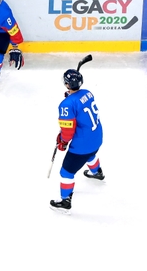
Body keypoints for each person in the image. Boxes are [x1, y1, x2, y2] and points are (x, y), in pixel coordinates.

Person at [50, 67, 104, 213]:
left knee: (66, 173)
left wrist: (63, 141)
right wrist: (71, 97)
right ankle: (96, 172)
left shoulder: (66, 105)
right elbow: (79, 102)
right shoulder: (87, 93)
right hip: (97, 137)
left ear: (67, 84)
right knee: (90, 155)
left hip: (82, 145)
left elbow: (67, 132)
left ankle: (65, 201)